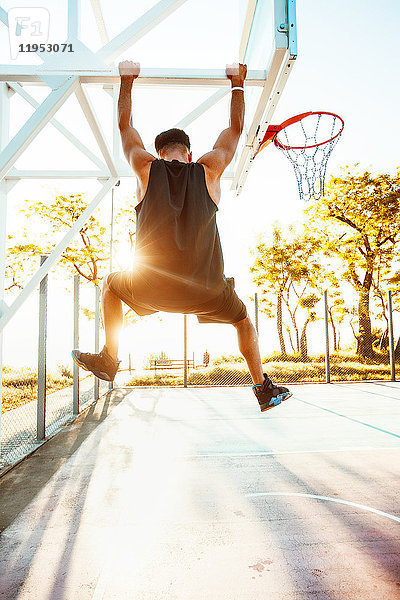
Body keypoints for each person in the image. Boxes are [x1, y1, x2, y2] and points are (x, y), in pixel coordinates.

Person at [72, 61, 292, 412]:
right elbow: (235, 129)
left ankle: (110, 357)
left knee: (112, 285)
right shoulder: (210, 169)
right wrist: (238, 83)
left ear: (159, 151)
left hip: (151, 287)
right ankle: (262, 387)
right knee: (242, 320)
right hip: (207, 290)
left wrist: (126, 80)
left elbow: (124, 125)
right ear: (190, 153)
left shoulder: (145, 168)